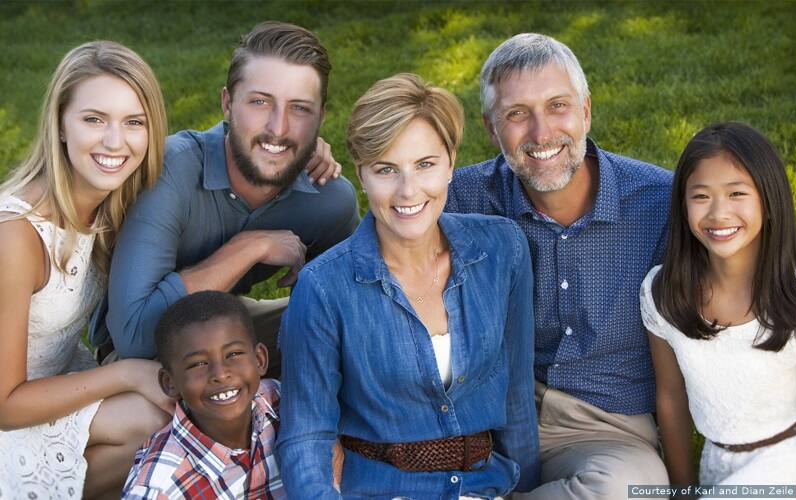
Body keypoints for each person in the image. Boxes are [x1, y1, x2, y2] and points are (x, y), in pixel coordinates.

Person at [278, 73, 539, 499]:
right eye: (386, 169)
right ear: (361, 173)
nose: (407, 191)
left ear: (451, 162)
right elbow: (307, 436)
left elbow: (516, 399)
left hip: (484, 487)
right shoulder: (323, 288)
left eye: (425, 165)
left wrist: (528, 489)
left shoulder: (502, 250)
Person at [446, 33, 672, 498]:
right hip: (489, 414)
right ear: (492, 129)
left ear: (585, 112)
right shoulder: (457, 199)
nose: (541, 133)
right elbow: (362, 276)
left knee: (633, 490)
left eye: (557, 106)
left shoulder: (659, 204)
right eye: (516, 115)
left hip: (606, 428)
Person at [89, 21, 360, 377]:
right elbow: (134, 338)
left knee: (357, 339)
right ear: (227, 104)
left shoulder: (329, 202)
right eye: (260, 102)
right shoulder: (169, 171)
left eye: (299, 109)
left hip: (232, 328)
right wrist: (249, 248)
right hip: (142, 366)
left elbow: (351, 310)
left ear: (320, 117)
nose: (278, 128)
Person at [0, 41, 173, 500]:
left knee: (173, 407)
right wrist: (125, 374)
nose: (115, 142)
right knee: (150, 420)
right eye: (94, 119)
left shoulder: (109, 207)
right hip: (9, 410)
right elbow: (4, 404)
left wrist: (297, 153)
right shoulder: (16, 237)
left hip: (52, 383)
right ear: (60, 123)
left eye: (133, 122)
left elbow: (209, 164)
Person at [641, 122, 796, 488]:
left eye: (737, 193)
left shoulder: (793, 291)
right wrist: (682, 489)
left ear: (768, 198)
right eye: (701, 196)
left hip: (788, 459)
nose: (718, 213)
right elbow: (670, 394)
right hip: (718, 462)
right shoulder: (662, 293)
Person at [123, 291, 285, 499]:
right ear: (169, 383)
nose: (220, 374)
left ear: (260, 360)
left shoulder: (279, 402)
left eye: (233, 354)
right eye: (198, 364)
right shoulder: (161, 489)